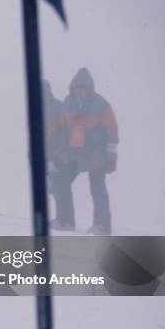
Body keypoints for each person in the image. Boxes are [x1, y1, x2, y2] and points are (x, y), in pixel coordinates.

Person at [52, 67, 119, 235]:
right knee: (61, 182)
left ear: (90, 89)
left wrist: (111, 157)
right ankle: (65, 220)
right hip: (75, 154)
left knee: (97, 188)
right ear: (73, 88)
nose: (80, 91)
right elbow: (63, 131)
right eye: (77, 88)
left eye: (84, 88)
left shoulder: (101, 105)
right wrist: (59, 153)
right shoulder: (68, 104)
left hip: (96, 155)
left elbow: (112, 131)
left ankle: (102, 226)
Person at [41, 80, 67, 210]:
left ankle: (63, 217)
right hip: (44, 153)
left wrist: (60, 151)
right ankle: (61, 216)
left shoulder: (59, 106)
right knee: (51, 182)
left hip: (56, 153)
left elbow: (66, 132)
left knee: (58, 184)